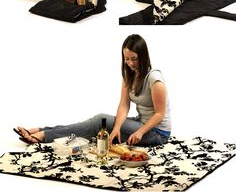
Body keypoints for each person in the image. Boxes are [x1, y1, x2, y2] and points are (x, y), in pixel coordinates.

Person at [14, 34, 171, 147]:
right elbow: (124, 104)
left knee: (99, 122)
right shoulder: (129, 75)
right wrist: (116, 128)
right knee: (97, 123)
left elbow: (160, 114)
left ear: (143, 56)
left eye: (134, 58)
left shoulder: (155, 79)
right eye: (127, 58)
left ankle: (42, 136)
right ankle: (41, 130)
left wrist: (140, 132)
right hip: (141, 122)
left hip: (157, 132)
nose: (130, 63)